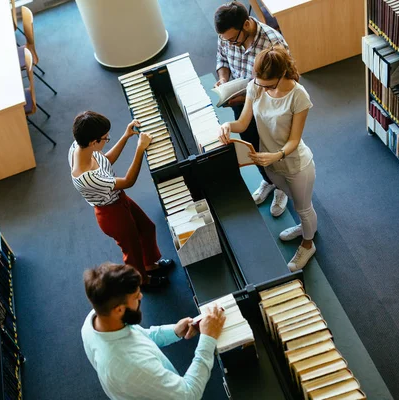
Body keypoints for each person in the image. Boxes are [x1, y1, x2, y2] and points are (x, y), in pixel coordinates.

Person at [218, 46, 317, 271]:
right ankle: (305, 226)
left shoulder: (298, 95)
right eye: (258, 81)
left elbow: (294, 140)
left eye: (267, 83)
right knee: (295, 201)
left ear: (281, 75)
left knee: (304, 208)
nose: (260, 87)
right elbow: (243, 123)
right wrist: (226, 125)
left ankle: (308, 243)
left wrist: (277, 154)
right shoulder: (256, 86)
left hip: (294, 164)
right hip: (269, 162)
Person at [81, 263, 226, 400]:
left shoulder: (95, 319)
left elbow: (139, 336)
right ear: (119, 309)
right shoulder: (133, 367)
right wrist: (208, 338)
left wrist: (175, 331)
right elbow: (188, 394)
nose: (141, 296)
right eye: (136, 296)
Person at [69, 111, 174, 289]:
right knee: (131, 250)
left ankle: (149, 265)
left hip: (118, 199)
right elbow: (128, 181)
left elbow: (106, 160)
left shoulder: (80, 147)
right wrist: (140, 149)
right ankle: (142, 281)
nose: (107, 139)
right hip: (111, 213)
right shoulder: (87, 176)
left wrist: (126, 136)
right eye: (105, 138)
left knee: (147, 227)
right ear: (94, 142)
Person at [214, 1, 290, 217]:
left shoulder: (273, 45)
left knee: (273, 147)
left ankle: (282, 188)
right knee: (251, 144)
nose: (230, 43)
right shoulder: (228, 35)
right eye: (225, 40)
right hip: (241, 100)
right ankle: (268, 181)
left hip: (269, 107)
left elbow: (282, 85)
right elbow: (221, 58)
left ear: (246, 25)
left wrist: (244, 97)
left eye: (232, 39)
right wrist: (223, 79)